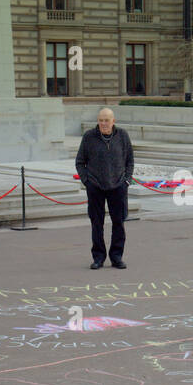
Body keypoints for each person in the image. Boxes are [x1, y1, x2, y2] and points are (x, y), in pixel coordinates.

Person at [75, 107, 133, 269]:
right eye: (101, 120)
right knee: (96, 223)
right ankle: (98, 257)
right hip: (96, 187)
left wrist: (126, 181)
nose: (103, 123)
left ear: (113, 121)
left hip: (118, 186)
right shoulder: (89, 137)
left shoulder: (122, 136)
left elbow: (130, 161)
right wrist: (87, 181)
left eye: (106, 120)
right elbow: (80, 161)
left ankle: (116, 257)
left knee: (118, 223)